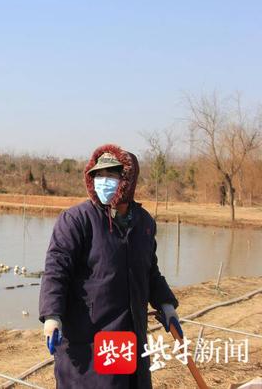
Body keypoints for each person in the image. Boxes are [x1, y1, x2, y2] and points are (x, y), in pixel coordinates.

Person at [39, 144, 181, 388]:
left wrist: (166, 305)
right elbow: (56, 270)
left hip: (127, 335)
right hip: (90, 337)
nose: (103, 181)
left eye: (111, 175)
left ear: (128, 179)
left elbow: (150, 271)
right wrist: (52, 315)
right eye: (98, 175)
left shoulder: (143, 223)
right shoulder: (77, 220)